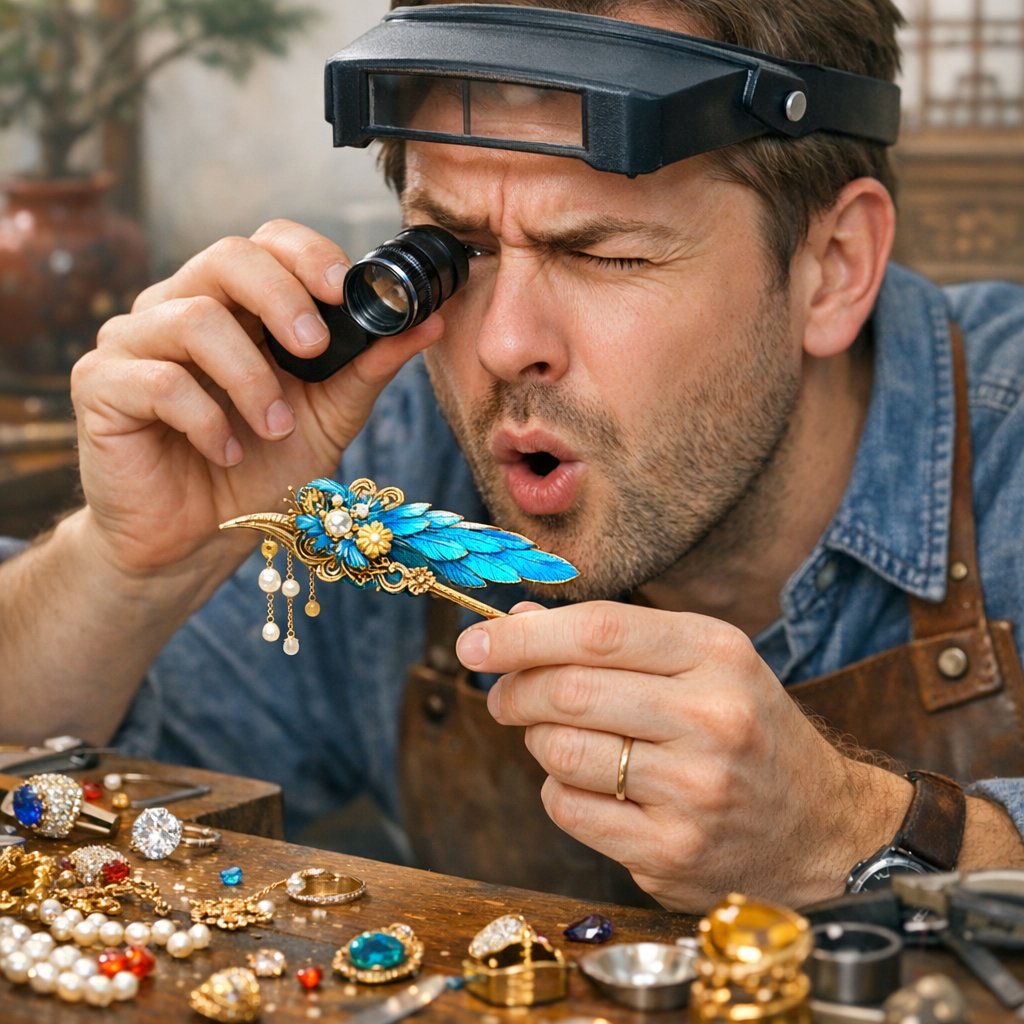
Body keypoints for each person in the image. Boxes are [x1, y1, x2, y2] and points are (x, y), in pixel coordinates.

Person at [1, 0, 1022, 913]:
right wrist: (129, 565)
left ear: (833, 268)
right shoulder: (384, 466)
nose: (500, 344)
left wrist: (855, 836)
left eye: (603, 254)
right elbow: (54, 787)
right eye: (456, 250)